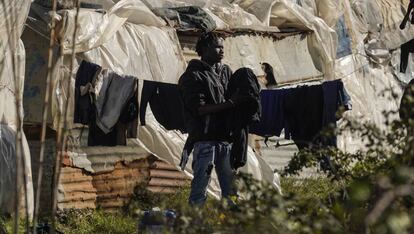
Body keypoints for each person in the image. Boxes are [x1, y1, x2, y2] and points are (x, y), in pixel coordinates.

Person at [178, 32, 239, 206]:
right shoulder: (192, 76)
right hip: (205, 140)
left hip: (226, 139)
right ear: (204, 49)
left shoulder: (225, 72)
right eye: (217, 47)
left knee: (232, 192)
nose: (221, 51)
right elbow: (200, 109)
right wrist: (231, 103)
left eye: (222, 47)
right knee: (199, 190)